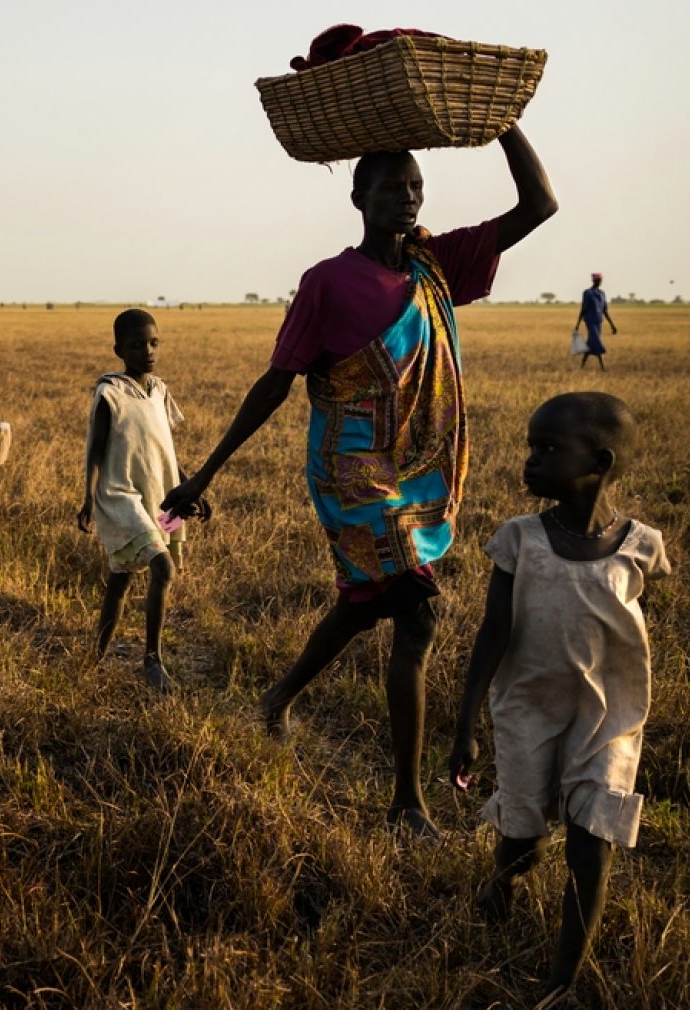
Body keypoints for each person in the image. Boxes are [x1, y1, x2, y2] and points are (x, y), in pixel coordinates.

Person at [162, 126, 558, 835]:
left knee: (366, 603)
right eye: (390, 188)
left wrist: (501, 125)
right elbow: (276, 381)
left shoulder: (435, 265)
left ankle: (276, 698)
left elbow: (538, 206)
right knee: (415, 609)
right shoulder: (327, 283)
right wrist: (202, 474)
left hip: (415, 472)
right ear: (357, 197)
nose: (406, 199)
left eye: (414, 187)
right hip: (350, 472)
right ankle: (407, 802)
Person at [450, 392, 669, 1002]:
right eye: (531, 446)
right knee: (522, 835)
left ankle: (564, 980)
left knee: (590, 835)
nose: (530, 460)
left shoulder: (640, 547)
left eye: (547, 449)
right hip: (527, 709)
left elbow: (634, 633)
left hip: (609, 719)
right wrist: (466, 724)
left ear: (598, 461)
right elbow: (492, 634)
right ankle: (504, 878)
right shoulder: (519, 539)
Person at [77, 309, 195, 690]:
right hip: (122, 496)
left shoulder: (160, 390)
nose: (147, 351)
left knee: (119, 579)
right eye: (137, 344)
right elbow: (95, 450)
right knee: (163, 569)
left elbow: (167, 450)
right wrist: (88, 499)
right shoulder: (109, 392)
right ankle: (152, 661)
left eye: (153, 343)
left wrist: (190, 486)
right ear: (118, 349)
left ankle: (94, 654)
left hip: (160, 496)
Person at [575, 272, 618, 371]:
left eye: (600, 280)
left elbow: (605, 311)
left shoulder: (602, 294)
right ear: (593, 281)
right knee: (597, 341)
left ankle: (582, 366)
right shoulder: (587, 293)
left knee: (592, 343)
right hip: (589, 321)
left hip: (598, 322)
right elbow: (583, 309)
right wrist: (577, 323)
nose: (599, 282)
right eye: (597, 280)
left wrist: (612, 325)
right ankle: (603, 366)